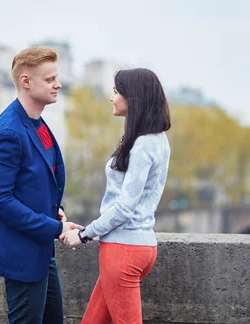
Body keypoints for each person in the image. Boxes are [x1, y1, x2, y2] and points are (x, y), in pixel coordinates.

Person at [0, 46, 83, 324]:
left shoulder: (37, 123)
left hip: (40, 249)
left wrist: (54, 210)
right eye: (49, 80)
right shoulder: (9, 132)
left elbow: (36, 178)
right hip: (21, 255)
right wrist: (55, 228)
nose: (58, 84)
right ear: (26, 82)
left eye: (56, 77)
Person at [61, 68, 171, 324]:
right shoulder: (158, 140)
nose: (112, 97)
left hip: (124, 249)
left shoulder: (143, 145)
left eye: (116, 91)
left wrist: (84, 234)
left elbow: (124, 207)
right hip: (141, 246)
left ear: (133, 98)